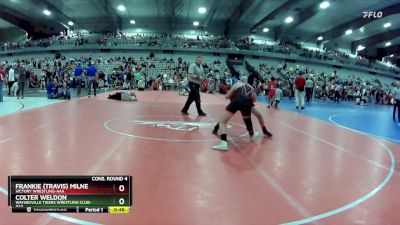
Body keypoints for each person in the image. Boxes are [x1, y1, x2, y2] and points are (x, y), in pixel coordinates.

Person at [211, 76, 261, 151]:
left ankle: (223, 143)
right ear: (247, 81)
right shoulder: (251, 87)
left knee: (222, 122)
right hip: (247, 104)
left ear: (240, 80)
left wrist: (233, 93)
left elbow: (227, 96)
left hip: (236, 102)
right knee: (247, 120)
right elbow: (254, 100)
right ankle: (252, 136)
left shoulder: (237, 84)